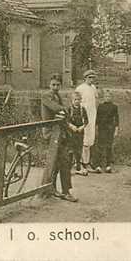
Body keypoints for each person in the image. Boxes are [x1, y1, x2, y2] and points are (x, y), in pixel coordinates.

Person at [39, 74, 77, 202]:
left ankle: (65, 191)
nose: (55, 87)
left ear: (60, 85)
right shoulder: (46, 96)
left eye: (57, 85)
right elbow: (57, 108)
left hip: (60, 132)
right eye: (53, 84)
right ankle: (49, 189)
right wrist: (65, 110)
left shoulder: (59, 96)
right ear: (49, 85)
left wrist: (65, 111)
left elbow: (65, 112)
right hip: (51, 133)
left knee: (64, 161)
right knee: (53, 161)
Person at [74, 70, 100, 173]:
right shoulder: (80, 88)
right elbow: (75, 101)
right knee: (82, 140)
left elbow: (96, 99)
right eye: (89, 78)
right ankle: (80, 163)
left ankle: (87, 162)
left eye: (93, 78)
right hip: (82, 117)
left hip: (92, 116)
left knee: (89, 140)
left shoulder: (93, 88)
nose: (91, 80)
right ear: (85, 78)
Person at [94, 89, 119, 173]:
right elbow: (97, 118)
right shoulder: (100, 106)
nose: (107, 98)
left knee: (109, 146)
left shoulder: (114, 107)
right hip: (102, 128)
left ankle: (108, 165)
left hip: (110, 128)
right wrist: (96, 128)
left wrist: (116, 129)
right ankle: (98, 165)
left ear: (111, 97)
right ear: (103, 97)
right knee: (100, 146)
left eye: (109, 96)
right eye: (106, 96)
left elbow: (116, 119)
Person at [66, 91, 90, 176]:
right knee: (71, 149)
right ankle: (68, 168)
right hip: (71, 132)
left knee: (79, 149)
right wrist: (71, 126)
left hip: (80, 132)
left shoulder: (82, 109)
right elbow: (66, 120)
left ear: (81, 100)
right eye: (75, 99)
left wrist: (82, 127)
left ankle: (78, 167)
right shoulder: (69, 109)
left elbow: (86, 121)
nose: (77, 101)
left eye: (79, 99)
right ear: (72, 100)